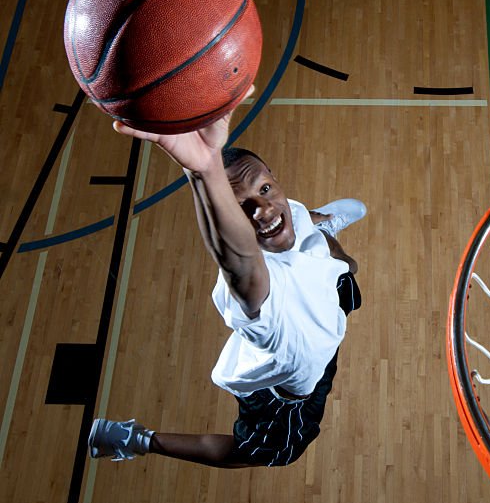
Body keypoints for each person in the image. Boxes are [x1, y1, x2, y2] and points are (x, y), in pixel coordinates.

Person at [87, 86, 364, 467]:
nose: (263, 209)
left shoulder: (284, 214)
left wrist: (307, 227)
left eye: (266, 188)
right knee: (270, 454)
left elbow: (273, 210)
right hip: (286, 390)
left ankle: (322, 227)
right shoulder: (261, 299)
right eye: (242, 208)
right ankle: (137, 439)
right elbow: (239, 256)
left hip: (320, 317)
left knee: (344, 272)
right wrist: (202, 169)